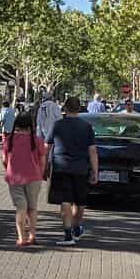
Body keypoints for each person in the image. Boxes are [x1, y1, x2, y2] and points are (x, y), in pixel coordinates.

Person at [45, 95, 99, 246]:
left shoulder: (57, 125)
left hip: (61, 166)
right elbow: (93, 151)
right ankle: (76, 227)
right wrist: (95, 171)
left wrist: (45, 167)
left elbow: (46, 148)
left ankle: (68, 234)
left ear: (65, 108)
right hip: (81, 168)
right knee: (80, 201)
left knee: (65, 200)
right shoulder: (86, 127)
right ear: (79, 109)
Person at [1, 109, 48, 247]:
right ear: (31, 125)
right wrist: (41, 172)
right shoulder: (37, 140)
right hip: (34, 177)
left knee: (20, 208)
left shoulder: (9, 140)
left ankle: (22, 237)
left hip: (14, 178)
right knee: (32, 208)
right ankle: (33, 235)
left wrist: (8, 169)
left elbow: (4, 159)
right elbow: (43, 160)